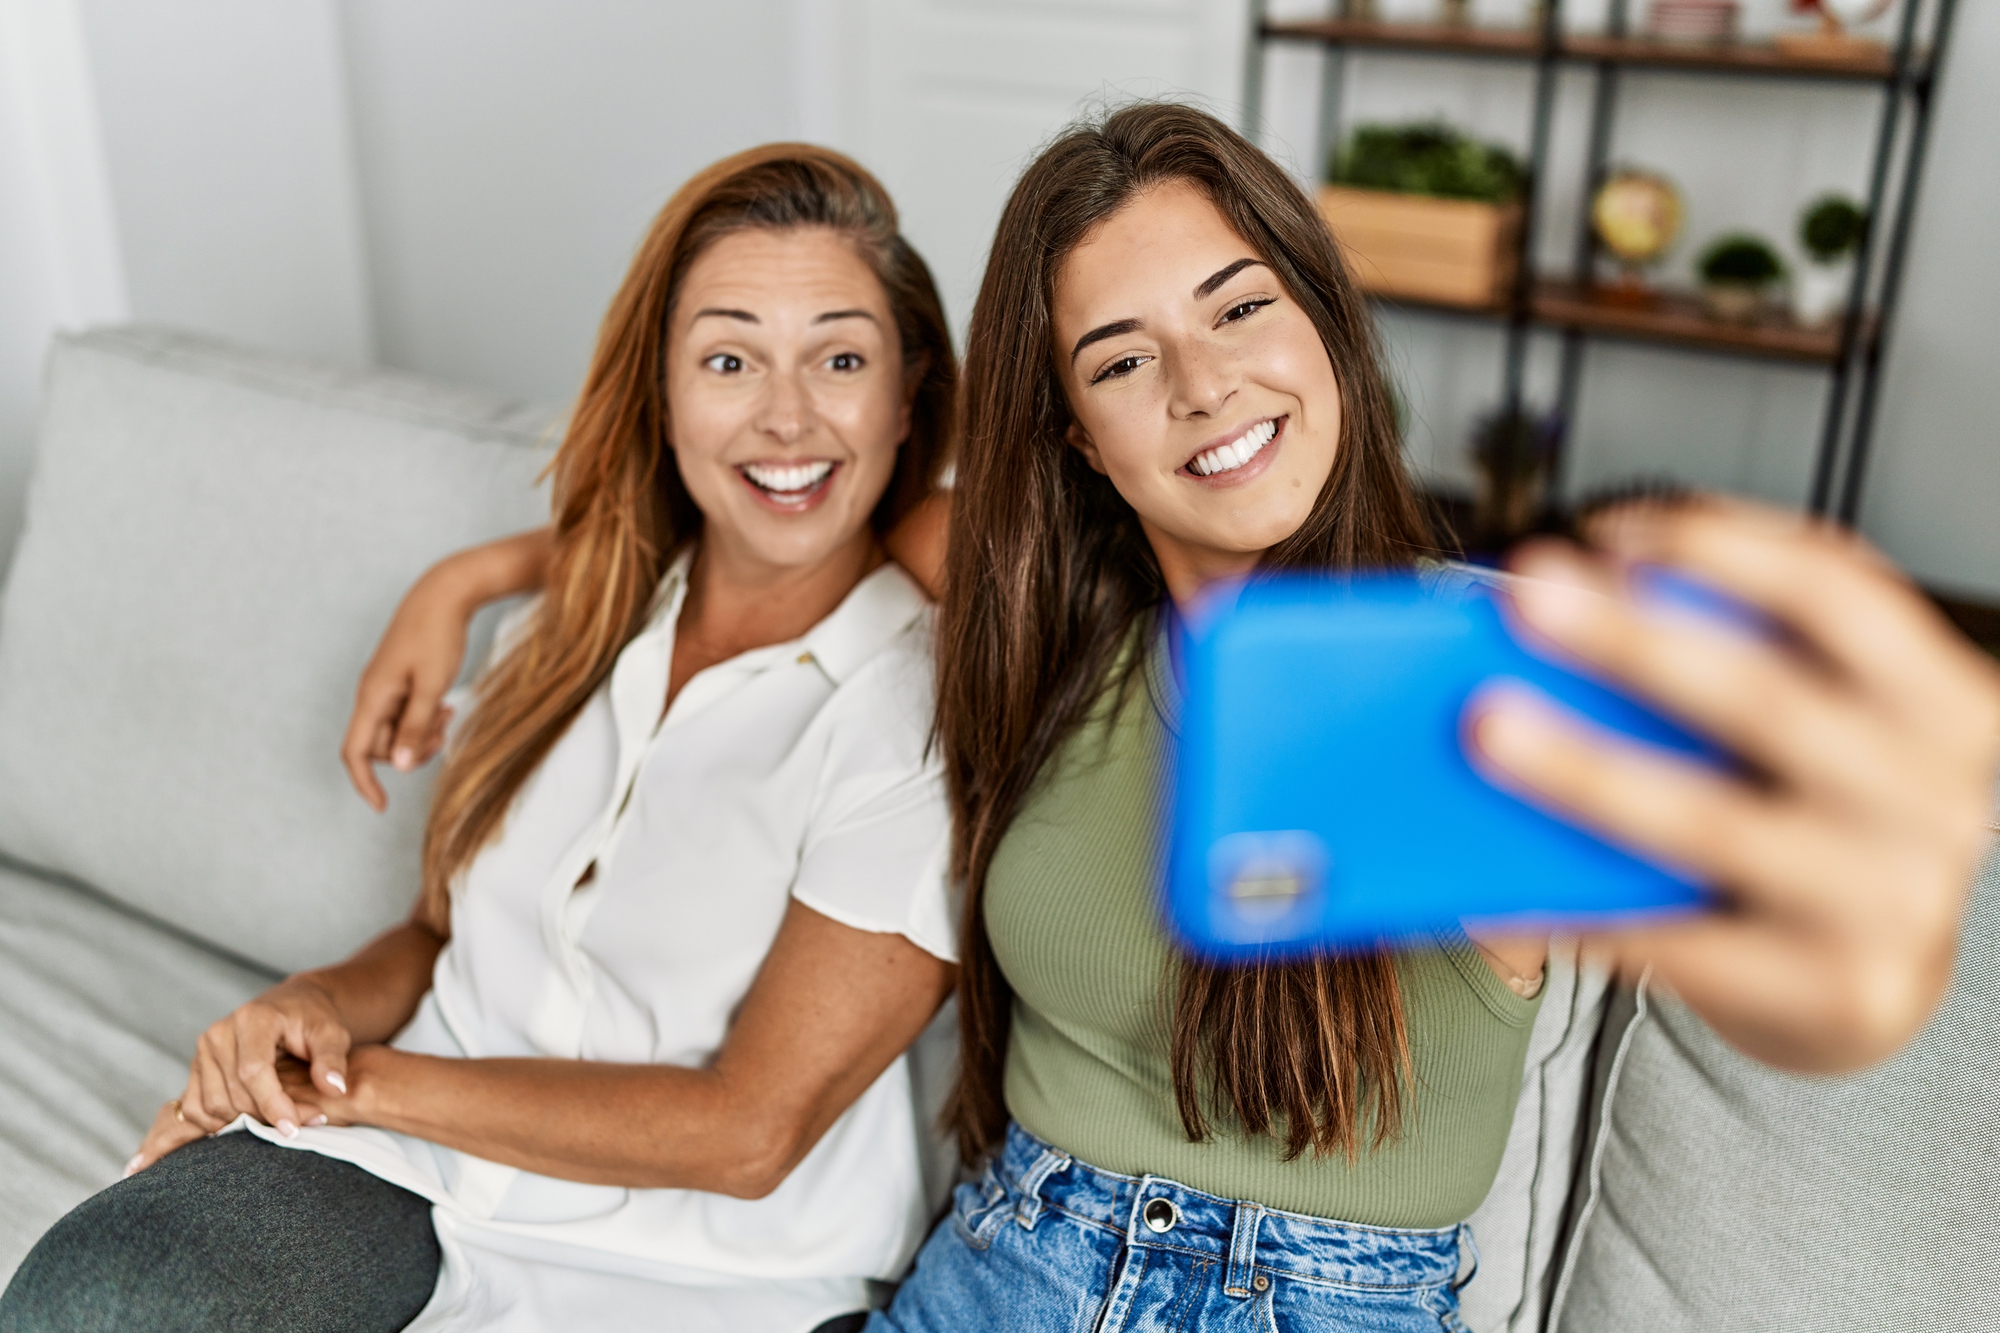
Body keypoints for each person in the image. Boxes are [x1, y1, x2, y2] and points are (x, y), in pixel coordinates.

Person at [296, 104, 1996, 1332]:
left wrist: (1884, 848)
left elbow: (1816, 940)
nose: (1203, 387)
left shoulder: (1475, 670)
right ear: (1078, 440)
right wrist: (481, 571)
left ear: (1327, 319)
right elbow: (779, 500)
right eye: (1120, 358)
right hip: (997, 1270)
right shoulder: (1036, 609)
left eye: (1243, 305)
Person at [0, 144, 962, 1333]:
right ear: (661, 393)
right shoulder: (575, 623)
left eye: (840, 358)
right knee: (91, 1304)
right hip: (409, 1177)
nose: (783, 413)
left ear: (907, 397)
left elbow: (748, 1131)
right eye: (727, 358)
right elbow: (436, 935)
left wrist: (359, 1082)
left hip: (708, 1278)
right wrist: (305, 1007)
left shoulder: (915, 702)